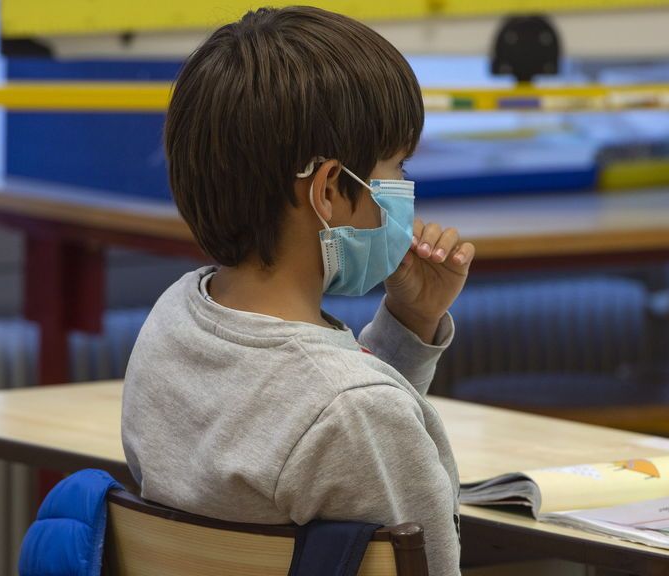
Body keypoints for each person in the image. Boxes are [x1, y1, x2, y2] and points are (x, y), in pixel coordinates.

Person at [121, 6, 474, 575]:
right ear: (330, 190)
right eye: (397, 166)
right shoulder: (353, 410)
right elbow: (340, 421)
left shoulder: (175, 321)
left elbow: (312, 425)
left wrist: (410, 321)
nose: (404, 188)